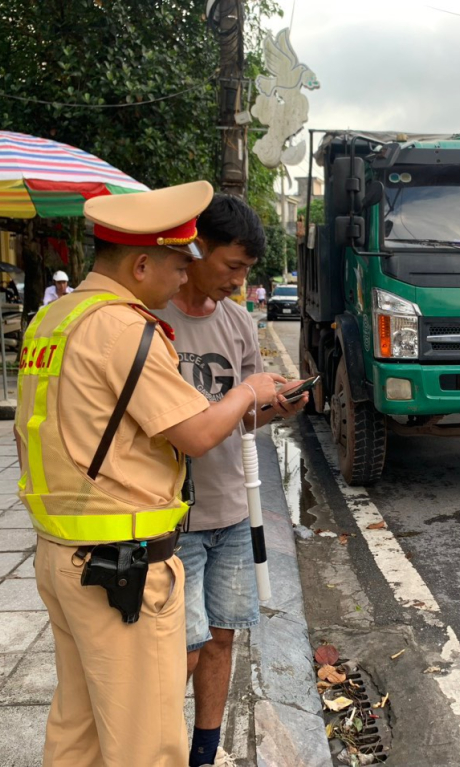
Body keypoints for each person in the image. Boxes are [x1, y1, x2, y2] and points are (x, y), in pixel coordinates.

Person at [15, 180, 287, 767]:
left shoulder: (54, 320)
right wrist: (247, 392)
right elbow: (192, 432)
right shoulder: (122, 328)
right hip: (122, 566)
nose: (180, 277)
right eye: (174, 263)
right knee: (146, 741)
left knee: (79, 726)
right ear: (141, 264)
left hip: (62, 552)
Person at [156, 194, 310, 767]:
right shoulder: (153, 318)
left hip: (232, 508)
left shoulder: (238, 321)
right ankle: (158, 748)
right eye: (232, 267)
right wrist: (249, 396)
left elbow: (244, 414)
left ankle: (204, 753)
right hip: (172, 517)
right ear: (196, 250)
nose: (239, 282)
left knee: (222, 638)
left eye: (247, 271)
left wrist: (277, 409)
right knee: (183, 648)